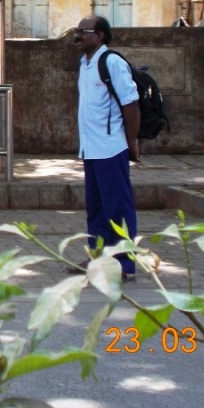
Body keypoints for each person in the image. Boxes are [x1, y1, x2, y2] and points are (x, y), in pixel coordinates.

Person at [71, 15, 139, 282]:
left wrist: (131, 142)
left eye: (82, 32)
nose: (77, 36)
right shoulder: (84, 64)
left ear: (99, 36)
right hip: (91, 149)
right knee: (96, 209)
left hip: (111, 148)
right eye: (76, 31)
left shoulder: (111, 62)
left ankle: (123, 263)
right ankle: (98, 258)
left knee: (118, 208)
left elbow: (131, 105)